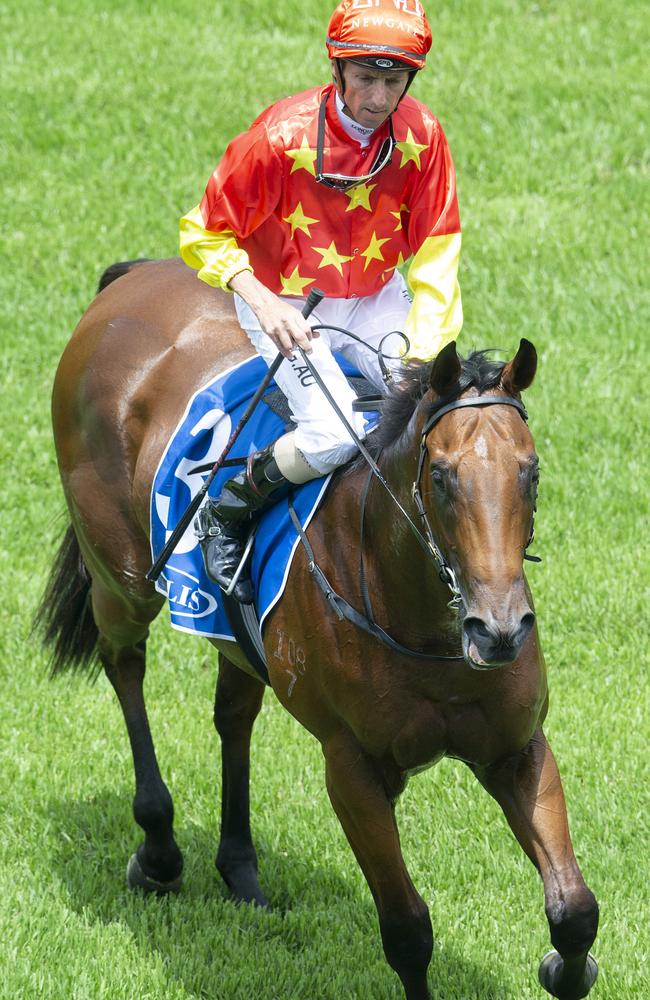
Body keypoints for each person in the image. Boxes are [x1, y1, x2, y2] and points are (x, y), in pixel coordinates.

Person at [180, 0, 462, 603]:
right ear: (337, 70)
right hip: (286, 302)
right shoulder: (278, 138)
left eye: (394, 80)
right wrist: (262, 301)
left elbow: (438, 249)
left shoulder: (424, 136)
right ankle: (226, 509)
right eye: (366, 77)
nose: (380, 97)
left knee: (431, 413)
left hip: (376, 296)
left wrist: (428, 356)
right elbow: (201, 232)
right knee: (333, 435)